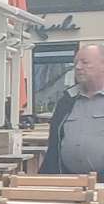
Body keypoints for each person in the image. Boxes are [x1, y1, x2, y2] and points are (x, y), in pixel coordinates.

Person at [41, 41, 104, 177]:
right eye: (76, 63)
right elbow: (54, 144)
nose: (78, 67)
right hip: (68, 180)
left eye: (85, 62)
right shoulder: (66, 101)